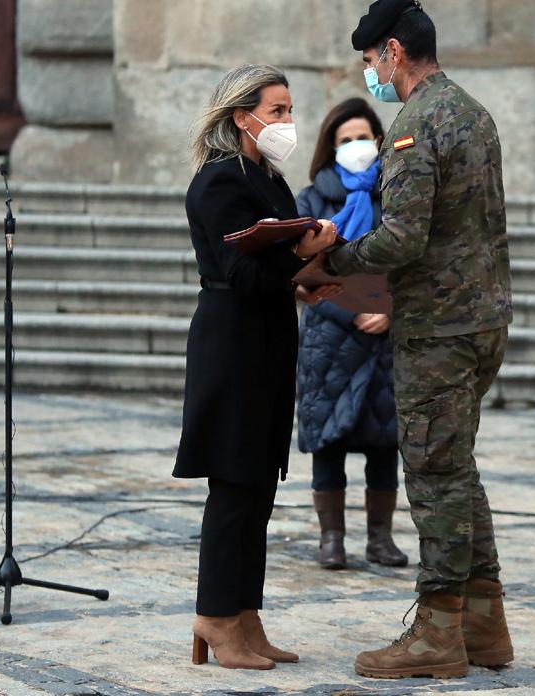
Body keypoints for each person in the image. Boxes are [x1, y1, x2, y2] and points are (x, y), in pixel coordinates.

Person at [325, 0, 514, 679]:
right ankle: (484, 625)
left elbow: (402, 236)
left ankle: (437, 633)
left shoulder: (413, 124)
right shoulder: (471, 111)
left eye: (370, 59)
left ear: (393, 53)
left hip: (438, 327)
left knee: (434, 476)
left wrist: (333, 262)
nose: (370, 72)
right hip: (483, 319)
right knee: (457, 469)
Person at [173, 63, 338, 671]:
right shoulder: (218, 183)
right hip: (232, 346)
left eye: (291, 110)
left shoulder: (267, 178)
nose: (287, 122)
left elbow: (269, 270)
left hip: (268, 340)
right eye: (277, 110)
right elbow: (236, 274)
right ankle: (214, 617)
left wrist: (306, 280)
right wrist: (300, 252)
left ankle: (245, 614)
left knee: (260, 486)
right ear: (242, 117)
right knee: (234, 486)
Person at [295, 97, 408, 570]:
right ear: (330, 147)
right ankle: (332, 539)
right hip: (330, 337)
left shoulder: (399, 195)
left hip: (387, 335)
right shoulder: (311, 199)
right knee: (329, 440)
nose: (356, 147)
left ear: (379, 142)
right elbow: (302, 271)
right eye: (346, 141)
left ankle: (380, 539)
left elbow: (412, 264)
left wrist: (390, 313)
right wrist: (352, 313)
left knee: (385, 442)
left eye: (363, 138)